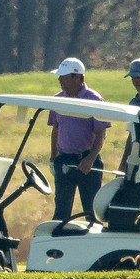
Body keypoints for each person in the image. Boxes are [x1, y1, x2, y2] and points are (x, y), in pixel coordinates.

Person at [47, 57, 111, 221]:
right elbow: (56, 129)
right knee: (61, 211)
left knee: (91, 211)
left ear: (77, 77)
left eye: (63, 76)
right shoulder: (58, 99)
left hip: (87, 161)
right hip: (64, 160)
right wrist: (53, 158)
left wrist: (90, 159)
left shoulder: (94, 99)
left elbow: (100, 133)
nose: (59, 79)